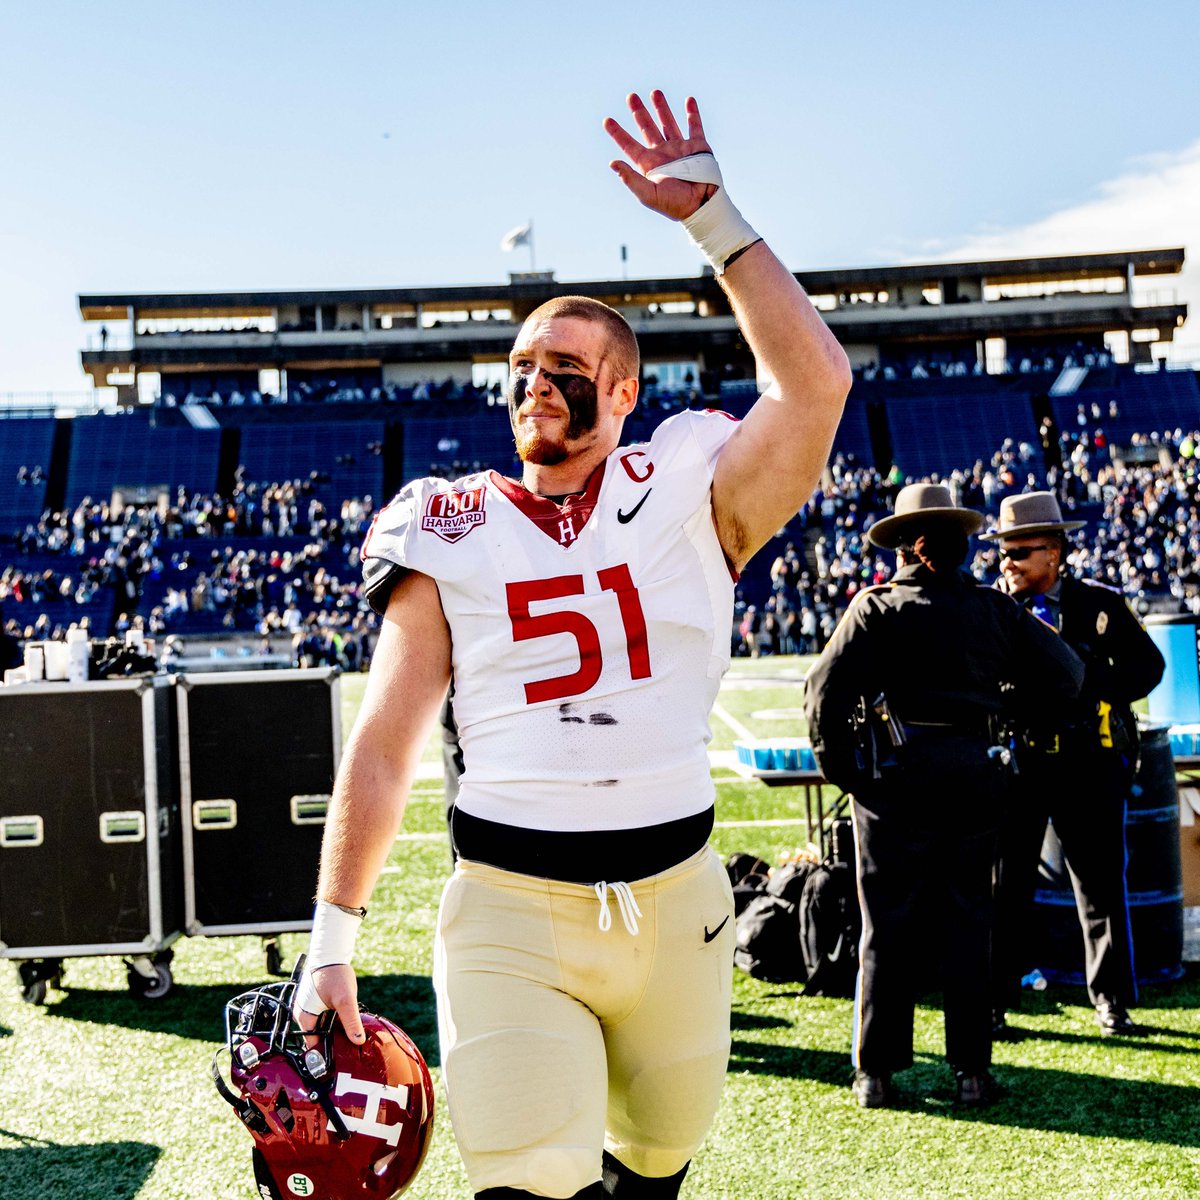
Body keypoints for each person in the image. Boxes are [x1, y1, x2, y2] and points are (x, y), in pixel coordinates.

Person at [292, 89, 851, 1200]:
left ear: (629, 390)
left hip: (679, 900)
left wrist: (716, 224)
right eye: (521, 361)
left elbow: (819, 384)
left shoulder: (694, 482)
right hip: (510, 906)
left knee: (653, 1169)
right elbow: (390, 734)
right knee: (530, 1183)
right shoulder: (443, 520)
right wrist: (330, 934)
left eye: (567, 360)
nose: (535, 378)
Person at [804, 484, 1083, 1109]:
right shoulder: (993, 608)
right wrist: (1007, 710)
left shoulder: (874, 608)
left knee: (887, 924)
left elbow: (822, 694)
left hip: (893, 780)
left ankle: (875, 1073)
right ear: (962, 546)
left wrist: (848, 774)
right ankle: (971, 1073)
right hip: (975, 773)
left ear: (905, 544)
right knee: (968, 921)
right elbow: (1067, 675)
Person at [984, 492, 1165, 1037]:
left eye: (1021, 551)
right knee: (1006, 885)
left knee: (1101, 885)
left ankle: (1110, 1001)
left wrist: (1091, 683)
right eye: (1004, 552)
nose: (1008, 562)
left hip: (1087, 762)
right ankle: (994, 1001)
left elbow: (1149, 668)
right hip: (1018, 763)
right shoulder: (991, 607)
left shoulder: (1098, 604)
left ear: (1055, 552)